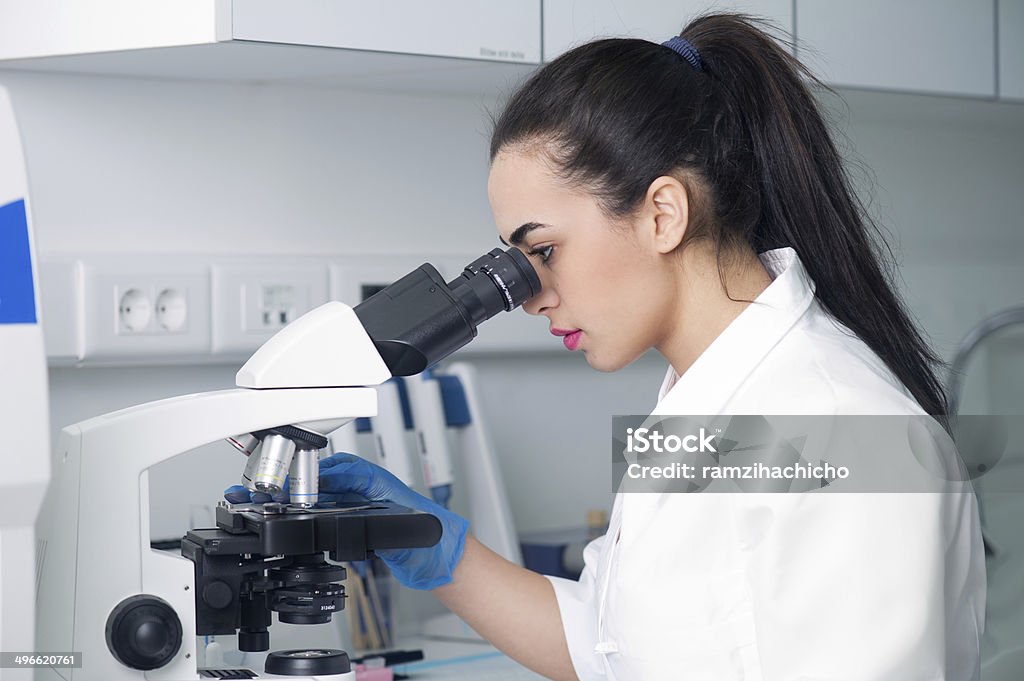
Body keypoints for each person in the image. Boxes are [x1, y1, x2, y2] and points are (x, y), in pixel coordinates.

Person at [228, 12, 985, 680]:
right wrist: (436, 547)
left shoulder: (846, 430)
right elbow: (609, 645)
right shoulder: (702, 405)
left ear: (662, 214)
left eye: (544, 251)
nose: (528, 294)